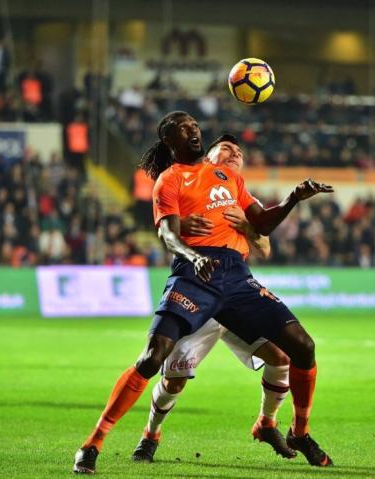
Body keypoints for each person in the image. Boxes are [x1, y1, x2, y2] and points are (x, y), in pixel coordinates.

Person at [73, 111, 333, 474]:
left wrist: (293, 198)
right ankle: (93, 443)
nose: (192, 130)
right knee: (153, 358)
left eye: (194, 126)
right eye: (184, 129)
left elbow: (262, 223)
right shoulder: (170, 180)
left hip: (237, 278)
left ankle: (298, 432)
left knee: (301, 347)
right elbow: (167, 234)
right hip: (195, 276)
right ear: (170, 141)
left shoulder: (229, 179)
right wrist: (193, 256)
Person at [130, 133, 295, 463]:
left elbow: (265, 247)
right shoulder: (186, 183)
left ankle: (267, 423)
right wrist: (185, 227)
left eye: (239, 153)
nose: (235, 154)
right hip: (198, 293)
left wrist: (247, 228)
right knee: (174, 381)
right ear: (208, 157)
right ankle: (150, 434)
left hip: (237, 296)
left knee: (280, 357)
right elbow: (166, 229)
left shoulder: (240, 195)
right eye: (227, 149)